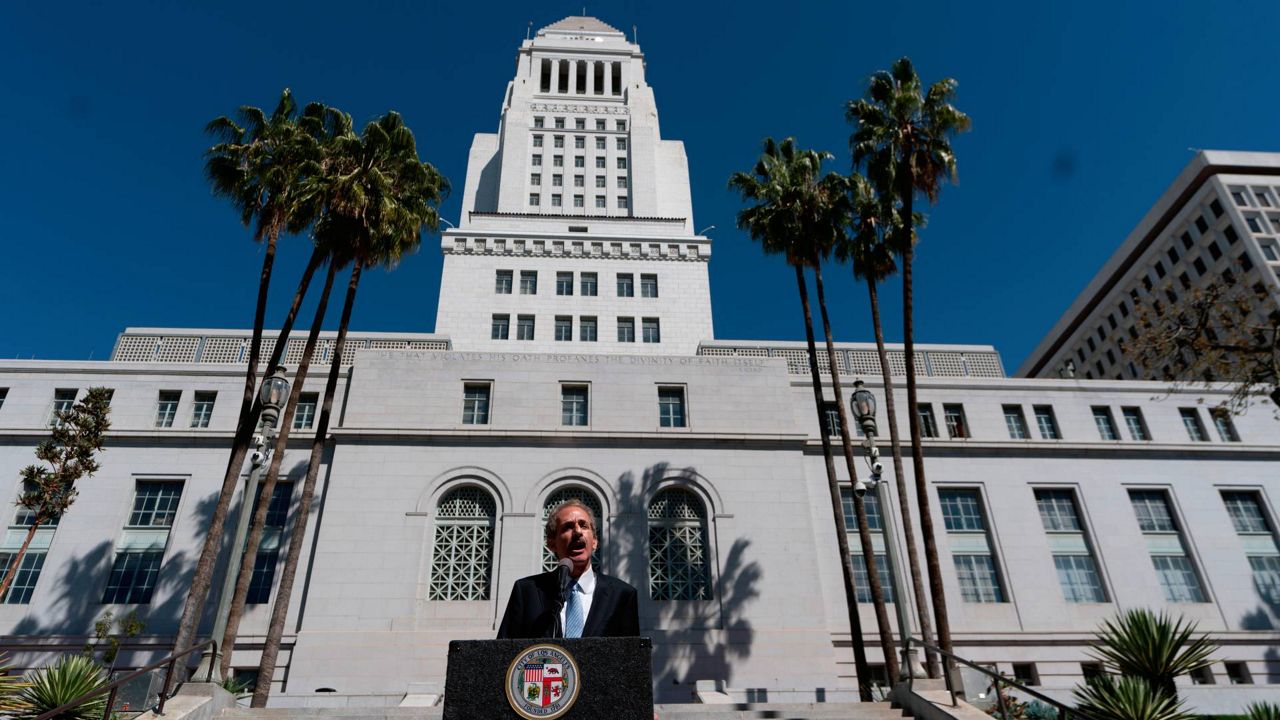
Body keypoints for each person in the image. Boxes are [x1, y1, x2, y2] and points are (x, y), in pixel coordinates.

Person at [497, 499, 639, 639]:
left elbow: (631, 658)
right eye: (568, 527)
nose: (577, 532)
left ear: (595, 542)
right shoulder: (526, 591)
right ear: (552, 543)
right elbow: (504, 653)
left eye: (584, 526)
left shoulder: (622, 595)